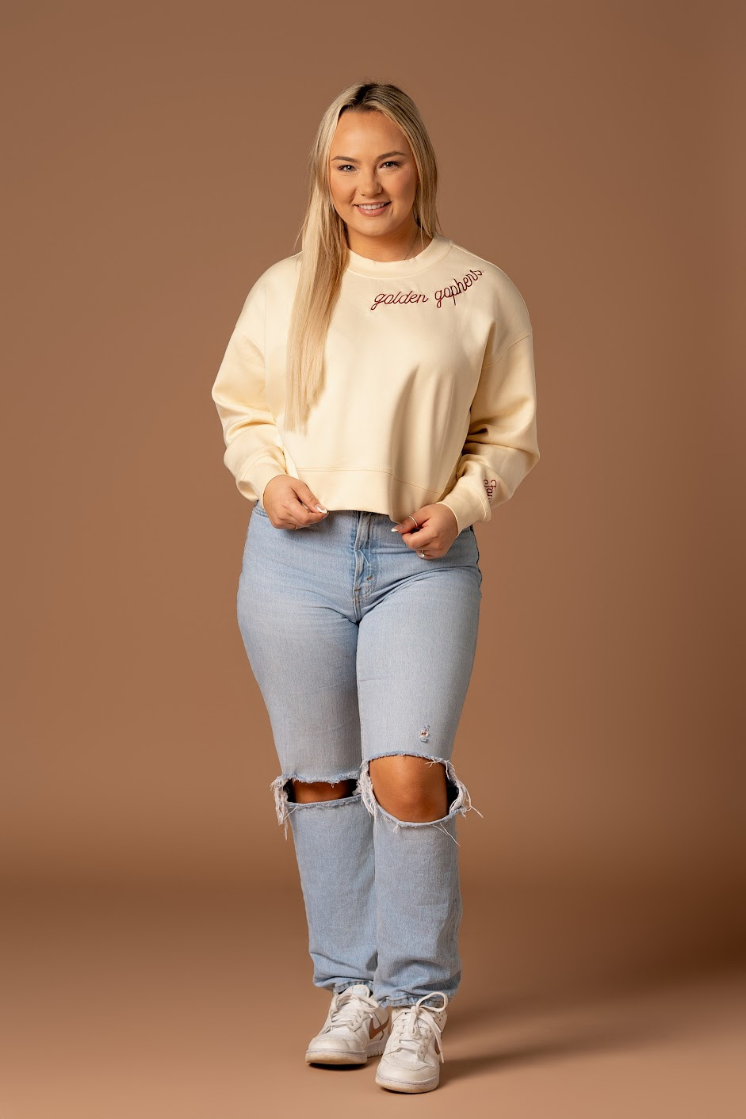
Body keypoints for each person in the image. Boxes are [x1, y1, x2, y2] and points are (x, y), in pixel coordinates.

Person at [210, 79, 540, 1094]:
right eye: (346, 164)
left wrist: (461, 505)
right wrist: (267, 482)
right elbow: (242, 412)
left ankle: (416, 1003)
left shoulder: (475, 287)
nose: (367, 183)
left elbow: (508, 432)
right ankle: (349, 989)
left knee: (405, 778)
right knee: (319, 784)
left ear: (419, 168)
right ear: (324, 175)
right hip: (293, 561)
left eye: (386, 161)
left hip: (420, 560)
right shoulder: (285, 287)